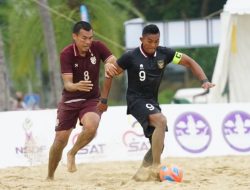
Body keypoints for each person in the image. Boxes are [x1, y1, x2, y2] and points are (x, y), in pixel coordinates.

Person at [105, 24, 215, 181]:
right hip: (136, 100)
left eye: (156, 41)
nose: (153, 45)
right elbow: (111, 72)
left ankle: (140, 175)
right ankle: (157, 166)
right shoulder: (131, 56)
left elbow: (189, 61)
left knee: (158, 146)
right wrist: (103, 98)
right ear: (142, 39)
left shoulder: (165, 53)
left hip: (152, 101)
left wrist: (204, 80)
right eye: (149, 41)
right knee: (161, 121)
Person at [47, 21, 116, 180]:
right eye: (84, 38)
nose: (88, 42)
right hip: (70, 100)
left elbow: (113, 60)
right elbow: (68, 84)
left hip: (91, 99)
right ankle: (50, 176)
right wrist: (76, 85)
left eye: (90, 38)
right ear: (75, 36)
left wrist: (109, 65)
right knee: (59, 141)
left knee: (92, 126)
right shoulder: (66, 53)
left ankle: (72, 153)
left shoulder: (98, 47)